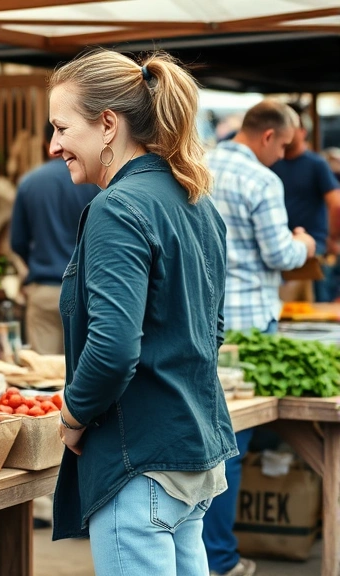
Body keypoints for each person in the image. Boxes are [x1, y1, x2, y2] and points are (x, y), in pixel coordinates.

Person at [48, 49, 237, 576]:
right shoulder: (195, 200)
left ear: (108, 125)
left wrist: (73, 416)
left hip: (140, 462)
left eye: (62, 127)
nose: (54, 144)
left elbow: (112, 348)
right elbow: (210, 329)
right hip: (189, 451)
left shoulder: (118, 208)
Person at [205, 100, 315, 576]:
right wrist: (305, 243)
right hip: (249, 327)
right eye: (284, 147)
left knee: (208, 439)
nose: (284, 156)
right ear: (268, 136)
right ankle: (220, 559)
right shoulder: (261, 180)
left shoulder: (200, 162)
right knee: (232, 447)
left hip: (202, 321)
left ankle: (202, 554)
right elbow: (280, 254)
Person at [10, 125, 100, 355]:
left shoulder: (29, 183)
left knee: (42, 378)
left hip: (44, 290)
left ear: (44, 141)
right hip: (86, 291)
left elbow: (17, 242)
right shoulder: (95, 183)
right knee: (84, 374)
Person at [271, 103, 340, 302]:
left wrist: (333, 238)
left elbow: (336, 203)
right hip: (282, 245)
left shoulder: (316, 164)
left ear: (303, 132)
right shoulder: (275, 161)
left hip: (313, 248)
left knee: (316, 308)